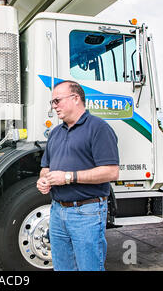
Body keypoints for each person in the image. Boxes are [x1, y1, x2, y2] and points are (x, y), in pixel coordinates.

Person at [36, 80, 119, 271]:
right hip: (57, 212)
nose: (54, 106)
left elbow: (111, 171)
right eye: (52, 102)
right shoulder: (55, 133)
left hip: (86, 213)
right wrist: (43, 180)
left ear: (75, 98)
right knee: (62, 268)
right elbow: (45, 167)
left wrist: (68, 177)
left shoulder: (98, 128)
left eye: (57, 100)